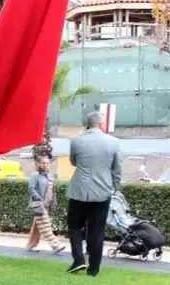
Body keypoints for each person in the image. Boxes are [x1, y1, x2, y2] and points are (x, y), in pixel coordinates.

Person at [67, 112, 122, 276]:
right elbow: (117, 170)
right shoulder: (114, 143)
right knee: (97, 230)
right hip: (102, 192)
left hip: (79, 191)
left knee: (74, 226)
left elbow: (73, 161)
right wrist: (115, 188)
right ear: (102, 124)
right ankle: (93, 269)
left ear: (88, 124)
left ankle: (78, 260)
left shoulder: (76, 140)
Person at [26, 156, 66, 255]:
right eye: (43, 163)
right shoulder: (35, 175)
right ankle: (55, 245)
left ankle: (30, 246)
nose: (45, 165)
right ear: (39, 164)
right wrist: (39, 199)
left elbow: (52, 191)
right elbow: (31, 189)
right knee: (45, 225)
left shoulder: (50, 176)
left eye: (47, 163)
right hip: (38, 204)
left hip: (47, 205)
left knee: (37, 226)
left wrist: (53, 203)